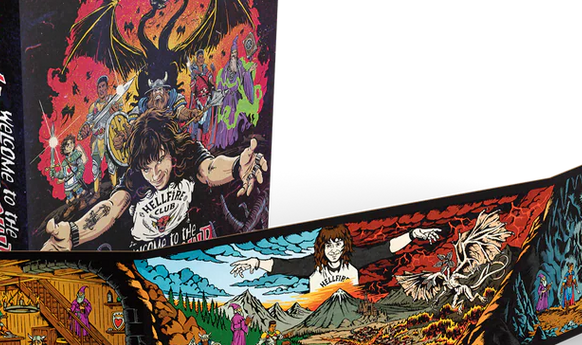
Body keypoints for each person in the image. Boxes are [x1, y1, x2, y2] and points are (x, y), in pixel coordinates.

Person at [42, 110, 253, 251]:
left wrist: (237, 167)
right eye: (147, 168)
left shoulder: (187, 153)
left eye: (160, 160)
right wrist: (74, 232)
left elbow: (210, 169)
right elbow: (111, 208)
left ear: (171, 149)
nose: (155, 175)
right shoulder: (134, 176)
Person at [231, 223, 442, 292]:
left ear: (345, 245)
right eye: (328, 245)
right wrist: (255, 262)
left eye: (338, 244)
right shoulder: (312, 264)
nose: (333, 250)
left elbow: (385, 249)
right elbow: (283, 265)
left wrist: (413, 234)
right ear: (321, 247)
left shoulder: (354, 259)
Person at [78, 75, 122, 190]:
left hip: (110, 138)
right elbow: (89, 122)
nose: (101, 89)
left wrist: (115, 113)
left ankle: (115, 188)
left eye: (103, 86)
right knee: (95, 168)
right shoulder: (93, 106)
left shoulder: (114, 101)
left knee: (112, 166)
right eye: (99, 87)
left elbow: (121, 117)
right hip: (97, 142)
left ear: (107, 87)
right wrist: (86, 128)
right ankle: (96, 192)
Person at [47, 134, 88, 207]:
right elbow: (62, 174)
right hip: (67, 184)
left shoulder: (76, 155)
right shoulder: (64, 162)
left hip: (75, 180)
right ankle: (73, 207)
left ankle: (83, 203)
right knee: (70, 199)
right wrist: (54, 173)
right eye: (67, 145)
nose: (70, 145)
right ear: (64, 149)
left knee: (80, 193)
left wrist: (80, 172)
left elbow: (81, 165)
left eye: (71, 143)